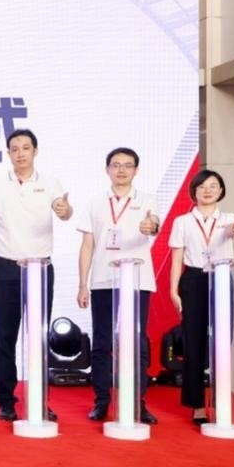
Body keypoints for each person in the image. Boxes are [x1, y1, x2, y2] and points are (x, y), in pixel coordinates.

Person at [0, 129, 71, 422]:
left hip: (39, 269)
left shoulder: (50, 182)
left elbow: (65, 212)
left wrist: (65, 209)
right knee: (5, 337)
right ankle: (6, 400)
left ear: (35, 151)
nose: (20, 153)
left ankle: (39, 400)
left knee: (38, 338)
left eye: (26, 148)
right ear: (8, 154)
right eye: (14, 149)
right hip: (4, 267)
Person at [76, 147, 160, 426]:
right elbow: (87, 245)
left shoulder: (147, 200)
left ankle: (137, 402)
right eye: (116, 165)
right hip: (103, 280)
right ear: (107, 169)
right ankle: (102, 401)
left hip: (136, 281)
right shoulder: (95, 202)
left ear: (136, 170)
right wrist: (82, 284)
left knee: (137, 342)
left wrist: (150, 225)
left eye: (127, 165)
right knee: (102, 342)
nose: (121, 170)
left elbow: (154, 223)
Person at [169, 169, 234, 425]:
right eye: (202, 186)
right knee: (193, 342)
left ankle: (221, 401)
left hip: (222, 278)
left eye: (213, 186)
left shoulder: (229, 218)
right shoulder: (182, 221)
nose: (208, 190)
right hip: (193, 279)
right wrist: (173, 290)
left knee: (224, 341)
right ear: (194, 191)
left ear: (221, 190)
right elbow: (177, 259)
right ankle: (197, 405)